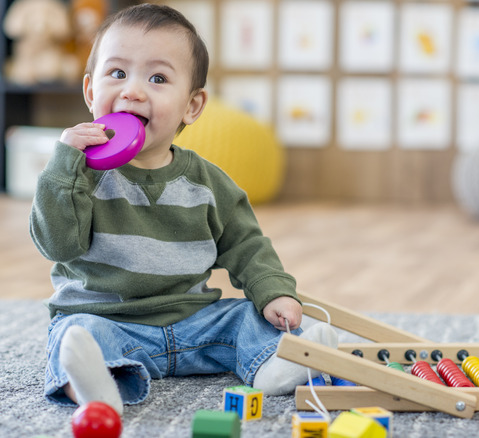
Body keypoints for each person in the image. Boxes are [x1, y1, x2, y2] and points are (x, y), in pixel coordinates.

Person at [29, 3, 336, 415]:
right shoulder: (76, 175)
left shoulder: (208, 183)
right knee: (77, 333)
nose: (132, 91)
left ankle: (278, 362)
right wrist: (63, 165)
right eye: (117, 73)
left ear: (191, 106)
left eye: (157, 78)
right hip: (110, 320)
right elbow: (58, 244)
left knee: (246, 318)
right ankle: (95, 387)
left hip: (195, 324)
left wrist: (273, 292)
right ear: (90, 91)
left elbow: (246, 244)